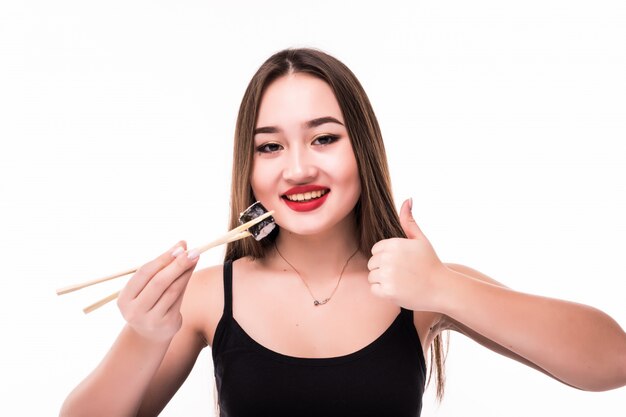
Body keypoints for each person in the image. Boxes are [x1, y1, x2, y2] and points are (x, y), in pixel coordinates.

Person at [60, 48, 626, 417]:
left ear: (364, 149)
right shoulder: (212, 294)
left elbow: (611, 362)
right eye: (270, 146)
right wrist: (143, 334)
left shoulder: (422, 287)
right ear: (249, 166)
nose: (298, 167)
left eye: (325, 138)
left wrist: (444, 290)